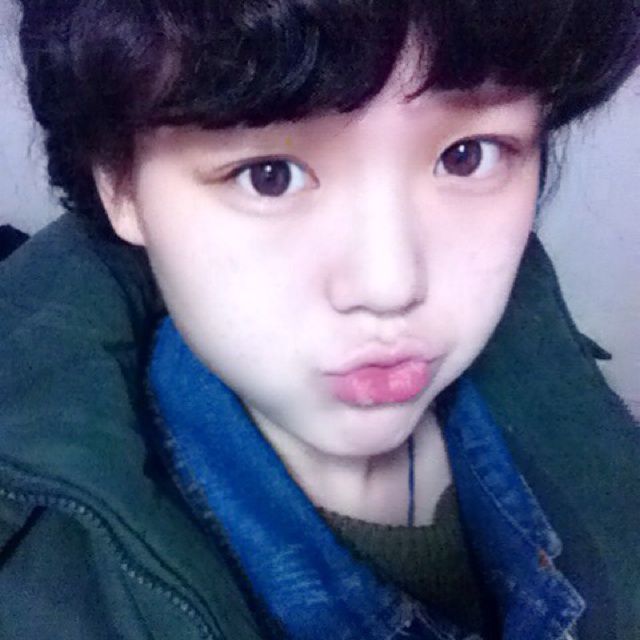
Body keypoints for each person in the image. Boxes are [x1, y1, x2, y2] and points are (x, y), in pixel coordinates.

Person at [1, 1, 639, 638]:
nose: (390, 286)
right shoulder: (45, 603)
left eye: (467, 156)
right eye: (269, 176)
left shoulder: (548, 359)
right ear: (119, 183)